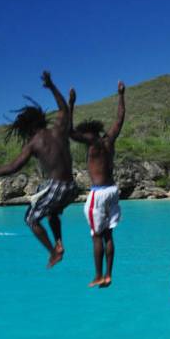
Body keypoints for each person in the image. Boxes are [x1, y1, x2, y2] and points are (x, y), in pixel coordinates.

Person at [0, 71, 77, 268]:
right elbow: (64, 108)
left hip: (57, 186)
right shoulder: (59, 129)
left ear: (27, 127)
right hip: (72, 187)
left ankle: (53, 252)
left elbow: (13, 167)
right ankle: (59, 243)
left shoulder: (34, 143)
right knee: (50, 210)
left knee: (30, 219)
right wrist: (51, 86)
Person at [69, 81, 126, 287]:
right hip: (113, 191)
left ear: (88, 133)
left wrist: (71, 103)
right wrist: (121, 95)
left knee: (96, 236)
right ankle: (109, 274)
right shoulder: (109, 140)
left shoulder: (92, 143)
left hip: (99, 194)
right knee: (109, 235)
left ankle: (98, 275)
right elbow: (119, 119)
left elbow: (69, 131)